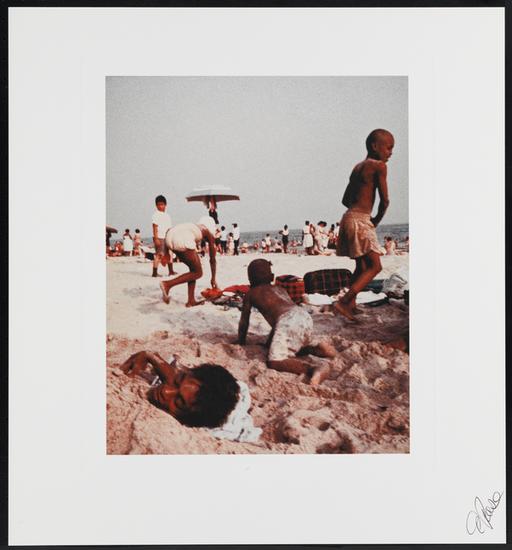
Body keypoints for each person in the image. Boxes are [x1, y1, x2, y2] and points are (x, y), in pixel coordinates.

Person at [237, 259, 335, 385]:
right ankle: (318, 349)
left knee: (274, 361)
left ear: (250, 279)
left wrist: (241, 342)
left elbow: (244, 322)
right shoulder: (280, 289)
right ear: (272, 277)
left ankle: (313, 369)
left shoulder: (251, 294)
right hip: (303, 315)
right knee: (295, 344)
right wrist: (269, 343)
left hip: (288, 320)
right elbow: (279, 325)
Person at [335, 129, 394, 320]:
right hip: (361, 219)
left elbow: (345, 200)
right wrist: (375, 220)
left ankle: (350, 306)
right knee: (375, 266)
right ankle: (344, 301)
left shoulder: (358, 167)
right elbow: (385, 200)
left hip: (348, 218)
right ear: (375, 146)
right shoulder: (379, 166)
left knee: (361, 267)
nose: (391, 153)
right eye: (389, 148)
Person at [120, 351, 240, 428]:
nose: (166, 391)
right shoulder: (188, 382)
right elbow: (157, 361)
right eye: (177, 381)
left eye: (178, 402)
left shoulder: (189, 419)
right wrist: (146, 355)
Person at [159, 217, 217, 307]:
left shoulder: (192, 227)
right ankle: (167, 284)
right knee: (198, 273)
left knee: (193, 270)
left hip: (169, 237)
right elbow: (212, 259)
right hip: (182, 240)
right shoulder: (207, 231)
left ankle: (191, 300)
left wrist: (166, 253)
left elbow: (168, 231)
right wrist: (213, 278)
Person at [152, 195, 175, 277]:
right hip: (160, 237)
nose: (160, 206)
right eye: (158, 205)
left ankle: (171, 271)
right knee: (159, 255)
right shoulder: (156, 214)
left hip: (167, 237)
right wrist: (156, 238)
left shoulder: (167, 215)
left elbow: (169, 228)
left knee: (169, 254)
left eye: (162, 204)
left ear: (165, 205)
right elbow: (154, 227)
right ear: (156, 205)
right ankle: (154, 272)